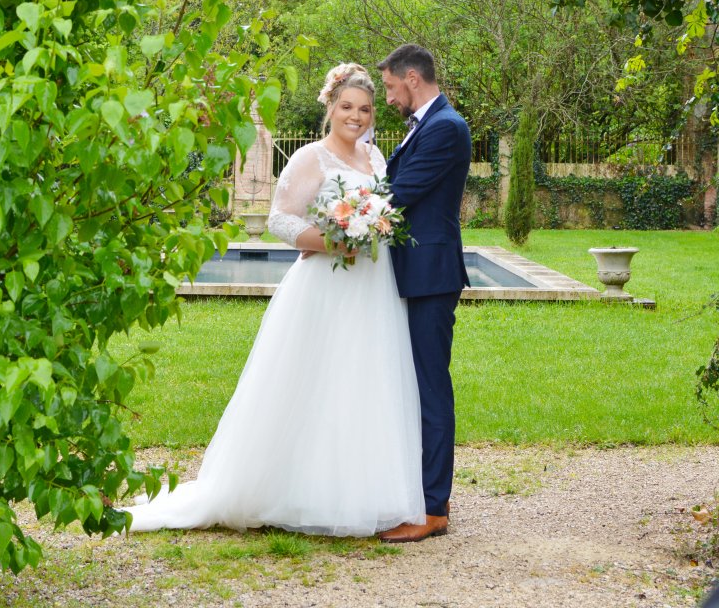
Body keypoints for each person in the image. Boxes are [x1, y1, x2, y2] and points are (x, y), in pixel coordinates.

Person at [124, 63, 425, 537]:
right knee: (313, 380)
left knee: (364, 380)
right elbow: (280, 220)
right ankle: (292, 490)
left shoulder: (377, 159)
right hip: (325, 284)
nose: (357, 116)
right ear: (330, 106)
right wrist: (335, 242)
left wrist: (374, 227)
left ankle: (362, 493)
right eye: (347, 107)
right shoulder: (312, 157)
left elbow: (382, 213)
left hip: (372, 286)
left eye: (365, 109)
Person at [376, 44, 471, 544]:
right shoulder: (430, 124)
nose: (389, 98)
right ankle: (426, 490)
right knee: (417, 386)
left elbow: (398, 194)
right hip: (415, 272)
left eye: (391, 87)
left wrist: (338, 215)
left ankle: (433, 508)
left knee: (431, 388)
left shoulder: (446, 128)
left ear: (412, 78)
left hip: (431, 276)